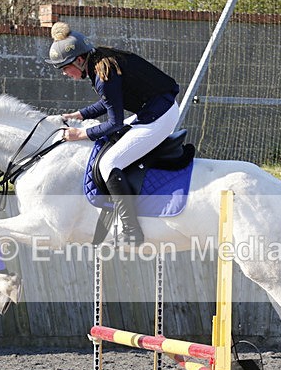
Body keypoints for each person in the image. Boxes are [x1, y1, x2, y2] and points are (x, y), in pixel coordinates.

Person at [45, 22, 181, 245]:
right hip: (153, 110)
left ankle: (132, 230)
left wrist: (80, 134)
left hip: (160, 116)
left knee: (109, 163)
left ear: (79, 60)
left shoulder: (103, 73)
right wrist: (80, 114)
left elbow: (114, 123)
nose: (64, 73)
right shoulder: (100, 61)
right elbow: (110, 101)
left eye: (65, 67)